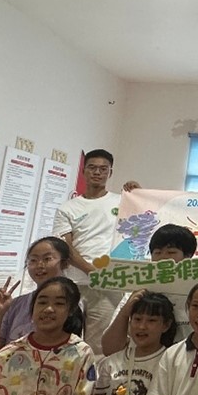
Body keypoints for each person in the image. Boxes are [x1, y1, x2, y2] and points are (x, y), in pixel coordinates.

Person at [53, 149, 128, 353]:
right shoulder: (67, 208)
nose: (97, 172)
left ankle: (95, 376)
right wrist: (91, 270)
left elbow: (143, 220)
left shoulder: (122, 202)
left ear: (110, 173)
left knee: (99, 346)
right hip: (74, 283)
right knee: (66, 341)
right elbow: (64, 247)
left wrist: (137, 192)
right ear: (84, 171)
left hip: (108, 285)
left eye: (103, 169)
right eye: (92, 168)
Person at [99, 223, 197, 353]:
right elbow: (109, 349)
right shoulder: (138, 291)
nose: (163, 258)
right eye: (157, 252)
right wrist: (125, 313)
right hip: (141, 362)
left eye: (171, 252)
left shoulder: (197, 292)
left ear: (188, 257)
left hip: (186, 361)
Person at [0, 236, 72, 367]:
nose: (39, 265)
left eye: (47, 259)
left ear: (65, 263)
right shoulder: (16, 304)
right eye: (33, 260)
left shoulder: (74, 304)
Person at [93, 292, 175, 395]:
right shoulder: (111, 363)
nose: (142, 326)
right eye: (137, 319)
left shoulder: (170, 362)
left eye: (151, 320)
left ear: (166, 325)